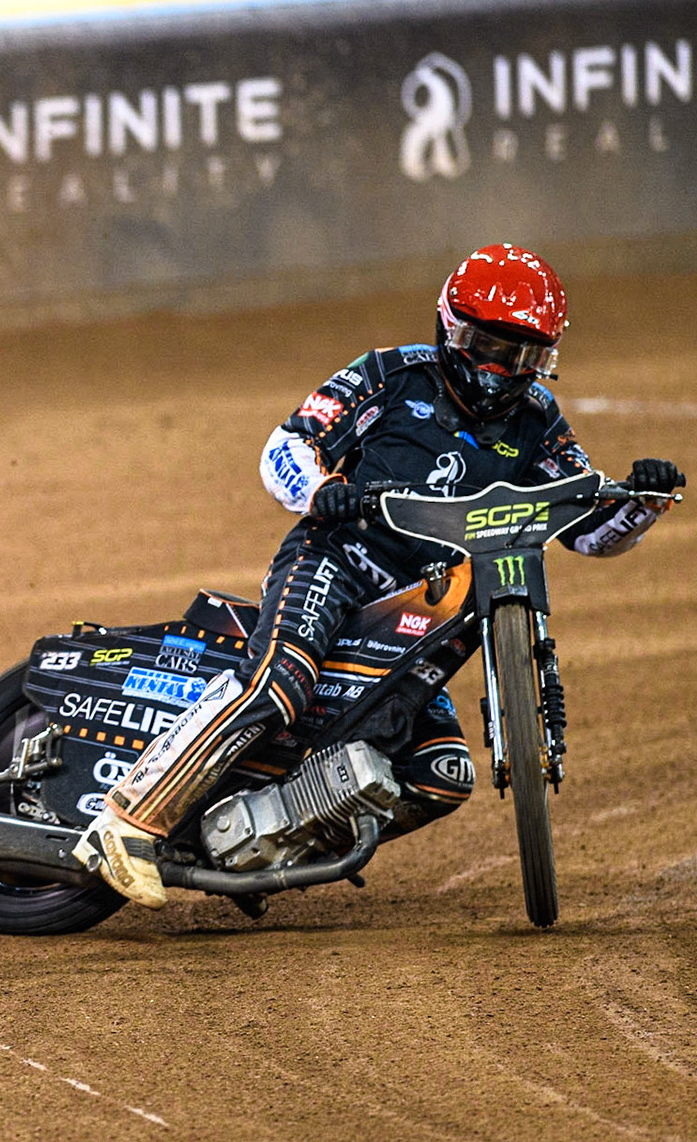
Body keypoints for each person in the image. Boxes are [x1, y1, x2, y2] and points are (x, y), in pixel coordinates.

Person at [75, 244, 686, 908]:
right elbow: (288, 445)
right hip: (336, 561)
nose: (495, 369)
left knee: (444, 775)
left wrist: (639, 504)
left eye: (517, 355)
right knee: (282, 682)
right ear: (451, 327)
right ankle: (127, 819)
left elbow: (589, 532)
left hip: (426, 608)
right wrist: (318, 490)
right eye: (484, 344)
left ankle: (266, 845)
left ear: (542, 361)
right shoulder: (391, 376)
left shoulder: (539, 420)